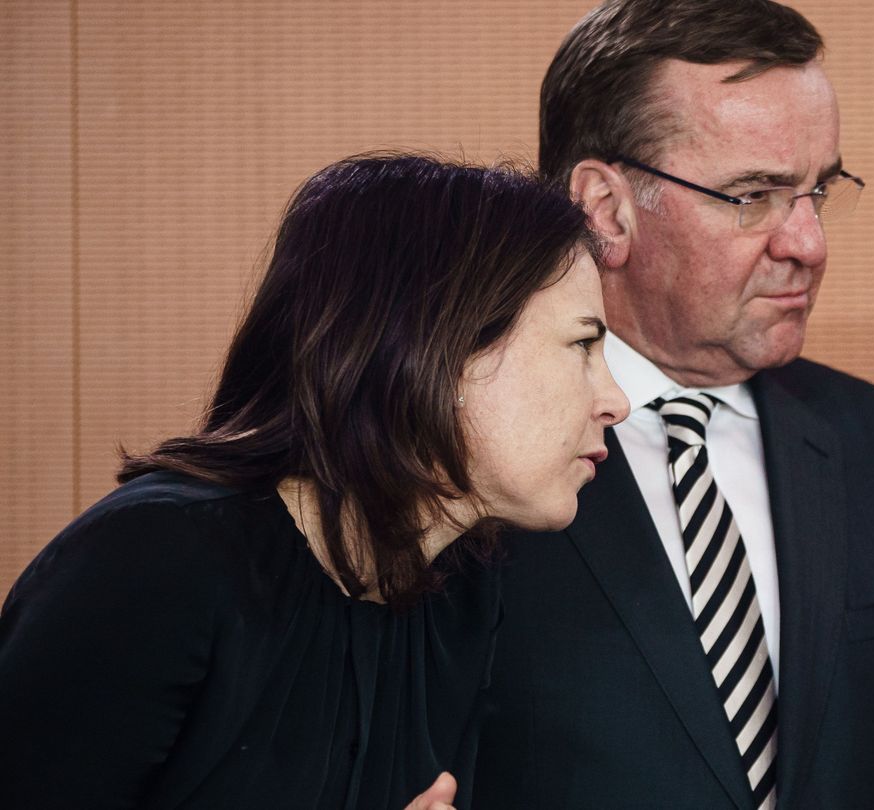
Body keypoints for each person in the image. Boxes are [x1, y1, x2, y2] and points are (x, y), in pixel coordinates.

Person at [470, 1, 874, 807]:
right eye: (753, 197)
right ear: (606, 209)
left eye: (820, 189)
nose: (808, 243)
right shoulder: (466, 464)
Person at [0, 154, 630, 809]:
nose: (616, 400)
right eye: (582, 345)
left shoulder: (463, 592)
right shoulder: (155, 564)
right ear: (437, 345)